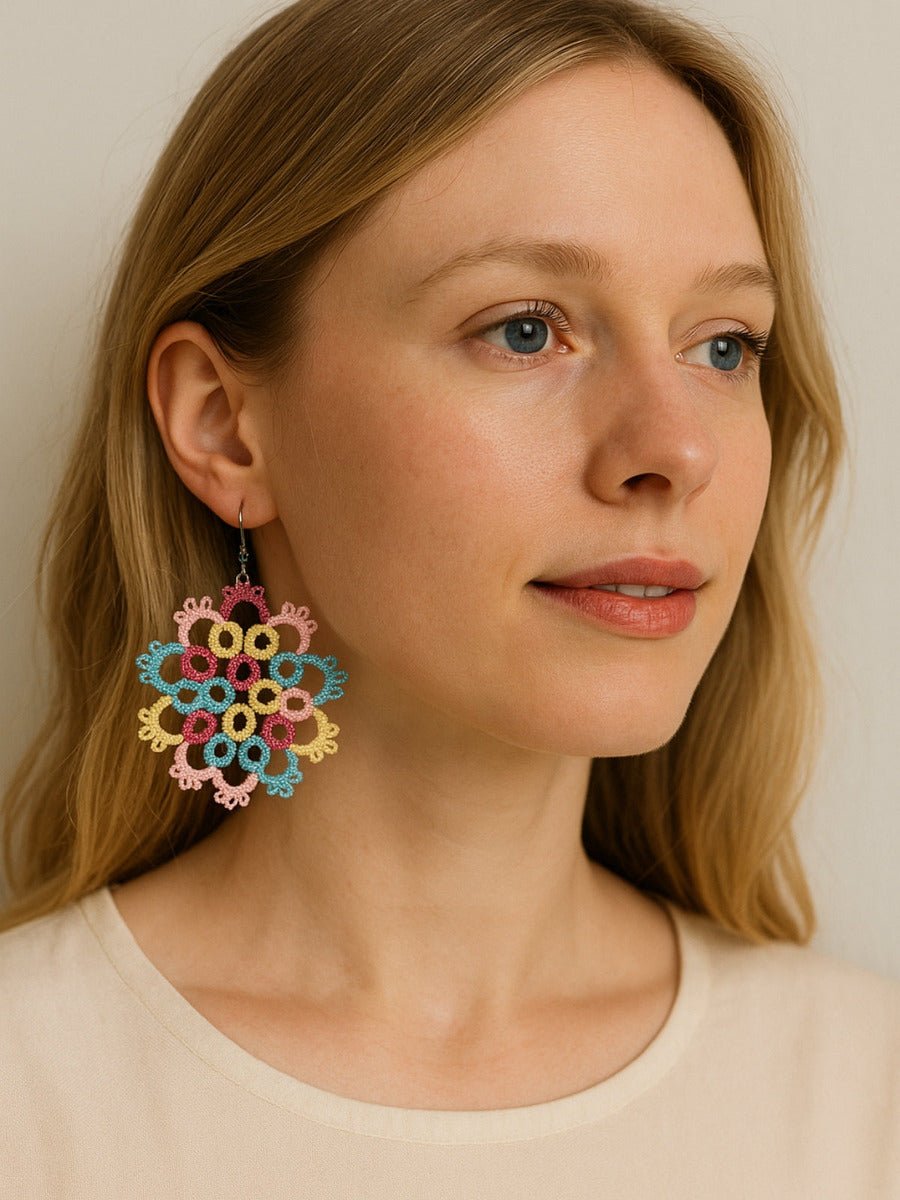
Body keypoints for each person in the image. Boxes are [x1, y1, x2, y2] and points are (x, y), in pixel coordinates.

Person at [1, 0, 897, 1195]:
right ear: (223, 425)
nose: (676, 448)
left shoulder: (864, 1099)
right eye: (525, 330)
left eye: (724, 345)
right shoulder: (30, 1092)